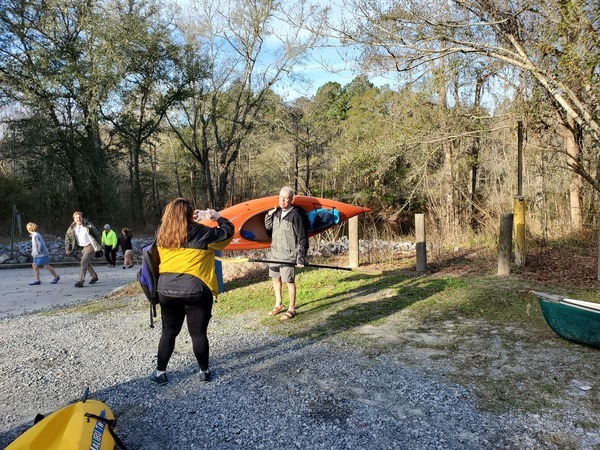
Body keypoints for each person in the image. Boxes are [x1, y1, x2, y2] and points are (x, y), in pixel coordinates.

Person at [149, 198, 234, 386]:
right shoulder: (204, 233)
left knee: (169, 332)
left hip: (166, 289)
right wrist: (216, 216)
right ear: (190, 214)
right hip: (196, 289)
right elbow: (228, 233)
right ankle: (204, 371)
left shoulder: (162, 233)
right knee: (198, 333)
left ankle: (160, 372)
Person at [264, 186, 309, 321]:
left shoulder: (295, 215)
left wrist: (301, 257)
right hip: (275, 253)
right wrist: (268, 215)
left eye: (286, 198)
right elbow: (268, 229)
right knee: (275, 278)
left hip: (288, 255)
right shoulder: (276, 213)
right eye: (281, 197)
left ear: (291, 199)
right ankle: (279, 304)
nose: (283, 201)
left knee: (289, 281)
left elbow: (303, 237)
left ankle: (291, 309)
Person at [65, 211, 102, 288]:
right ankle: (94, 276)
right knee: (86, 263)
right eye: (76, 218)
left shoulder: (88, 225)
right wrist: (68, 248)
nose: (78, 219)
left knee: (83, 261)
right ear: (74, 219)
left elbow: (97, 234)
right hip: (80, 248)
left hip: (90, 246)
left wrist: (100, 245)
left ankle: (80, 281)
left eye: (80, 217)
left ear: (82, 218)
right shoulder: (72, 228)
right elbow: (67, 238)